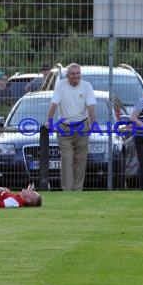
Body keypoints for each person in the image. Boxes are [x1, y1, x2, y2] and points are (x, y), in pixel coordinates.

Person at [46, 63, 96, 191]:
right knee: (67, 160)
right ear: (67, 75)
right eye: (73, 74)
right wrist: (49, 121)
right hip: (65, 127)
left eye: (78, 73)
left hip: (82, 125)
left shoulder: (87, 86)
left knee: (80, 160)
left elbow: (91, 106)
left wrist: (94, 123)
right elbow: (54, 104)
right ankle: (67, 191)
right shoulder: (61, 85)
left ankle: (77, 190)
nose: (76, 76)